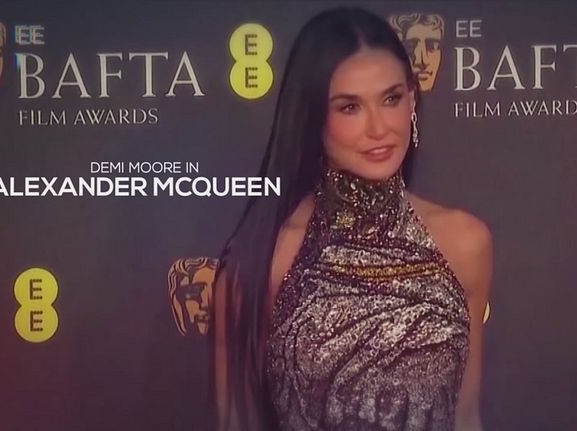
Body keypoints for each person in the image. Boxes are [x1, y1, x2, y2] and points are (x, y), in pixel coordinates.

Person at [211, 6, 493, 431]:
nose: (379, 128)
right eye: (349, 107)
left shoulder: (465, 243)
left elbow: (466, 418)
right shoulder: (263, 259)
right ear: (313, 118)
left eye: (391, 99)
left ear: (412, 100)